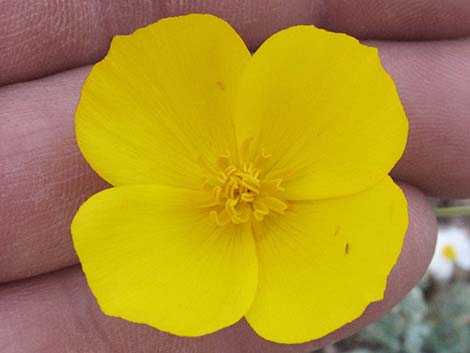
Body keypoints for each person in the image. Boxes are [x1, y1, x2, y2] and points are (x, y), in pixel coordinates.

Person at [1, 1, 469, 352]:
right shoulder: (153, 88)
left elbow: (344, 90)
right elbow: (143, 83)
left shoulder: (337, 90)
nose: (238, 186)